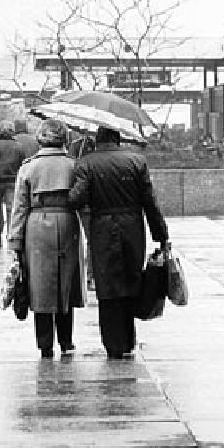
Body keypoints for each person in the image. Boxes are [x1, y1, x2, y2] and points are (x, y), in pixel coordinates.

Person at [69, 126, 169, 360]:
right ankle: (128, 339)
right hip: (132, 226)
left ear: (97, 140)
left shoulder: (86, 162)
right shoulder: (136, 161)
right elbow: (150, 202)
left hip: (102, 227)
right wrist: (161, 234)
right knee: (131, 279)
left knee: (107, 285)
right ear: (118, 139)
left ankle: (113, 343)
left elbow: (76, 199)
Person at [8, 119, 84, 359]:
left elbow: (19, 208)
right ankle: (66, 340)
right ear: (65, 139)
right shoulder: (74, 165)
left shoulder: (29, 167)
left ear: (41, 138)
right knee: (67, 282)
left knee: (39, 285)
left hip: (37, 225)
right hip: (68, 221)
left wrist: (14, 242)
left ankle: (45, 343)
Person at [0, 120, 28, 247]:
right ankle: (11, 235)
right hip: (13, 182)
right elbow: (23, 166)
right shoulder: (19, 147)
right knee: (12, 209)